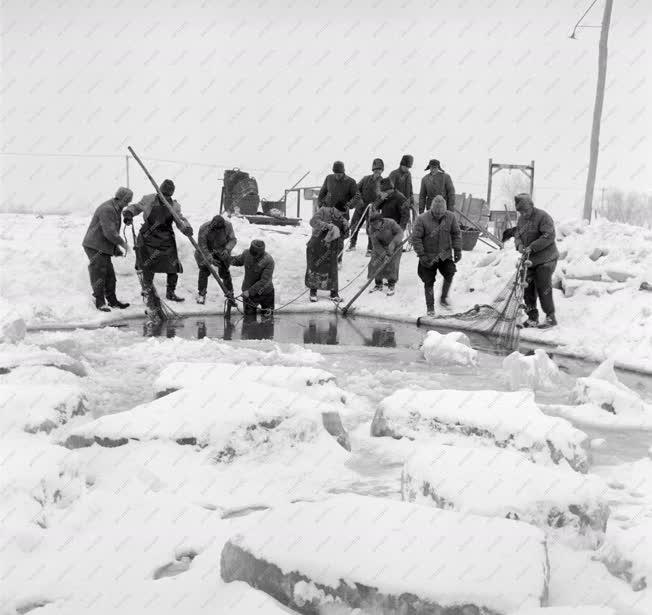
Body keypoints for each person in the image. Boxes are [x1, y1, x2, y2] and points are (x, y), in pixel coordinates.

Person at [123, 179, 193, 302]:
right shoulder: (149, 199)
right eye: (163, 194)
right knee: (148, 265)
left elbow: (180, 220)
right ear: (159, 191)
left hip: (166, 239)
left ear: (171, 195)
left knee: (173, 267)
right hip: (149, 236)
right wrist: (129, 213)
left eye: (168, 195)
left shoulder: (174, 206)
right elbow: (136, 207)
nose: (165, 197)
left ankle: (170, 292)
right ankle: (147, 290)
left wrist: (186, 228)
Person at [82, 186, 134, 312]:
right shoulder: (108, 209)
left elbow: (111, 231)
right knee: (99, 273)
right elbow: (110, 233)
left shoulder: (116, 208)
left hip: (103, 245)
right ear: (120, 198)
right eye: (126, 201)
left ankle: (112, 301)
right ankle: (100, 302)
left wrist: (115, 249)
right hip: (94, 245)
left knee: (110, 275)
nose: (127, 204)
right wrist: (123, 244)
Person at [513, 193, 559, 329]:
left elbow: (549, 235)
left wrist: (532, 247)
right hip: (529, 260)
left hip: (546, 258)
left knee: (543, 284)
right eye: (520, 211)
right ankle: (532, 317)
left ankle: (551, 317)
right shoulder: (521, 220)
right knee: (526, 286)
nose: (524, 214)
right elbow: (517, 235)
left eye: (525, 210)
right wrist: (519, 245)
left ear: (532, 206)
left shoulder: (543, 217)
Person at [412, 195, 461, 315]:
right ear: (432, 210)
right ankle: (430, 308)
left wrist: (458, 250)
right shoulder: (422, 219)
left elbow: (456, 234)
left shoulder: (451, 217)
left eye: (441, 214)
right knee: (428, 281)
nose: (439, 215)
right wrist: (422, 255)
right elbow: (416, 238)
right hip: (428, 255)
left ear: (445, 211)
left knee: (450, 272)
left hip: (444, 254)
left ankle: (443, 298)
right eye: (436, 213)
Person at [305, 205, 348, 303]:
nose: (339, 214)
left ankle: (334, 293)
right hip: (317, 243)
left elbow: (344, 235)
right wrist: (327, 226)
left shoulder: (342, 220)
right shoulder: (323, 210)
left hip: (332, 247)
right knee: (315, 267)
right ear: (334, 208)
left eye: (342, 213)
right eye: (338, 212)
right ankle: (313, 292)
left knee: (332, 269)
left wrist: (346, 228)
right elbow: (313, 222)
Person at [194, 214, 237, 305]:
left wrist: (227, 249)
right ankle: (201, 294)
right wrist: (210, 259)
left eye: (219, 229)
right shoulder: (204, 228)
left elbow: (232, 240)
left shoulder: (228, 226)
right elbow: (202, 246)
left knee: (225, 273)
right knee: (204, 271)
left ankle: (230, 294)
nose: (218, 231)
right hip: (206, 252)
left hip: (221, 251)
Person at [230, 239, 275, 315]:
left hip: (266, 294)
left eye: (255, 253)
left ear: (261, 253)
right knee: (249, 319)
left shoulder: (269, 261)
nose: (252, 254)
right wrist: (226, 259)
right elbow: (237, 260)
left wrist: (249, 291)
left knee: (268, 320)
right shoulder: (247, 253)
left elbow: (264, 281)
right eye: (251, 251)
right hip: (249, 296)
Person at [349, 158, 384, 254]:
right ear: (373, 170)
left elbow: (384, 197)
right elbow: (356, 189)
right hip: (360, 207)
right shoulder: (365, 179)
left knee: (371, 228)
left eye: (379, 169)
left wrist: (376, 204)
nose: (377, 171)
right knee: (354, 225)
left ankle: (370, 248)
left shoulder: (384, 182)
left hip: (372, 210)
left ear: (382, 170)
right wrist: (359, 199)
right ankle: (352, 244)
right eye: (376, 169)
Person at [367, 210, 404, 296]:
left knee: (392, 263)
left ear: (381, 221)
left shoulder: (391, 223)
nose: (374, 226)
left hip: (395, 245)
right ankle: (378, 283)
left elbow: (400, 233)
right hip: (381, 246)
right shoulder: (371, 229)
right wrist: (384, 254)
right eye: (373, 224)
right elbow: (375, 244)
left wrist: (393, 244)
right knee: (375, 262)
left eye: (376, 224)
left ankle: (391, 284)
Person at [389, 154, 415, 222]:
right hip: (395, 205)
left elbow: (410, 187)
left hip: (405, 204)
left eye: (408, 167)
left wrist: (411, 199)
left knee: (405, 222)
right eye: (406, 167)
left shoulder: (408, 174)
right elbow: (390, 189)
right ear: (401, 164)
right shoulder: (394, 174)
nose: (407, 169)